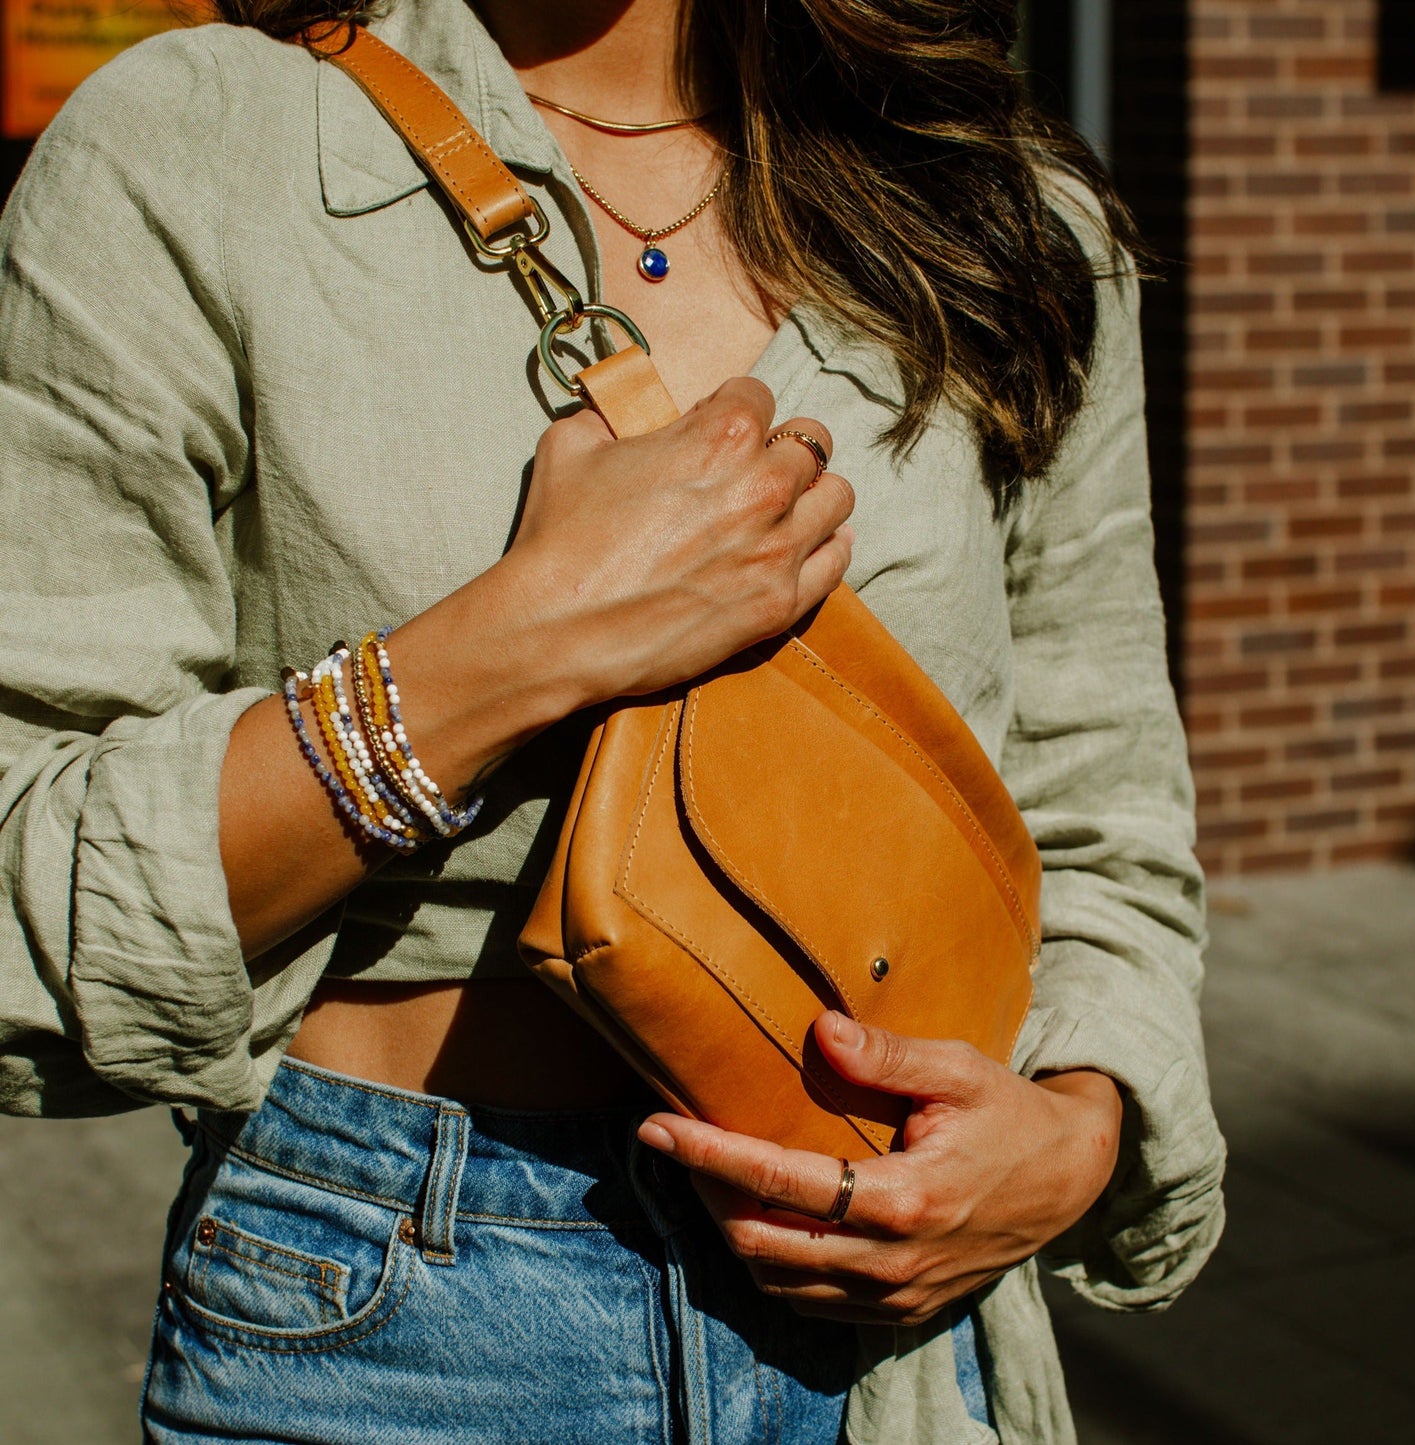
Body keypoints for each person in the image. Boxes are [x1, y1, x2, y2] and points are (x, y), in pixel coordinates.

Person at [0, 0, 1226, 1440]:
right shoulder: (199, 145)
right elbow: (25, 868)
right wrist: (506, 652)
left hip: (895, 1341)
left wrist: (1072, 1137)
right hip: (399, 1317)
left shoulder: (995, 199)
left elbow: (1103, 809)